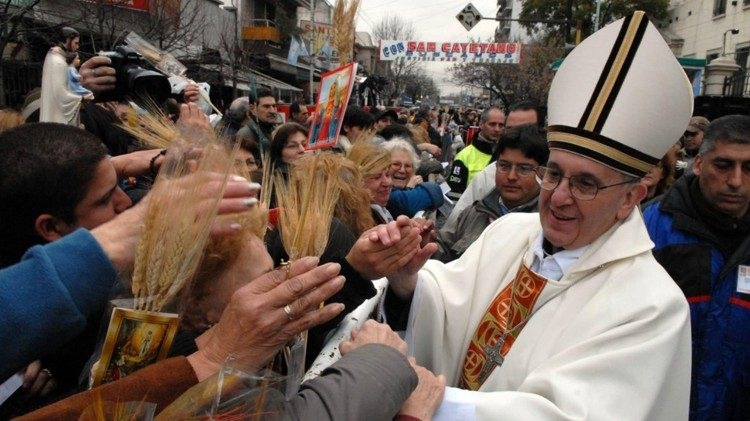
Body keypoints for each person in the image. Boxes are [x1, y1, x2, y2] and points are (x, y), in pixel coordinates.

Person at [380, 12, 693, 419]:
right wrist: (407, 278)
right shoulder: (510, 231)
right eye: (554, 174)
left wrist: (431, 398)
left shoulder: (653, 306)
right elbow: (447, 304)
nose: (559, 197)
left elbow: (567, 415)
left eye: (585, 184)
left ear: (630, 197)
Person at [642, 114, 750, 421]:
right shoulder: (650, 227)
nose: (735, 181)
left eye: (749, 168)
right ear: (699, 164)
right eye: (723, 165)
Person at [435, 125, 548, 262]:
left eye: (524, 169)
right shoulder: (474, 213)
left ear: (543, 173)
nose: (511, 176)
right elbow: (444, 251)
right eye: (504, 166)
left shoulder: (547, 226)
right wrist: (425, 242)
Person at [442, 101, 542, 233]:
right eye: (511, 130)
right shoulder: (486, 174)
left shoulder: (555, 183)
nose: (511, 176)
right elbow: (453, 226)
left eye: (526, 130)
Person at [445, 106, 505, 200]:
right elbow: (455, 197)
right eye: (492, 124)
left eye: (501, 125)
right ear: (481, 124)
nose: (497, 129)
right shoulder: (464, 156)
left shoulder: (509, 154)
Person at [384, 138, 444, 218]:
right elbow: (436, 192)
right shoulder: (383, 191)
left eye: (408, 166)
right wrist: (409, 189)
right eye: (396, 164)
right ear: (383, 166)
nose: (402, 170)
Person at [40, 27, 83, 125]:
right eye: (76, 43)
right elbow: (60, 93)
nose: (77, 47)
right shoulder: (58, 61)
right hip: (57, 117)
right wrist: (81, 98)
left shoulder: (57, 57)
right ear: (67, 40)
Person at [236, 88, 277, 156]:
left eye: (274, 106)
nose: (272, 111)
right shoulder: (245, 136)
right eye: (266, 106)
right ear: (252, 109)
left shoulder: (274, 132)